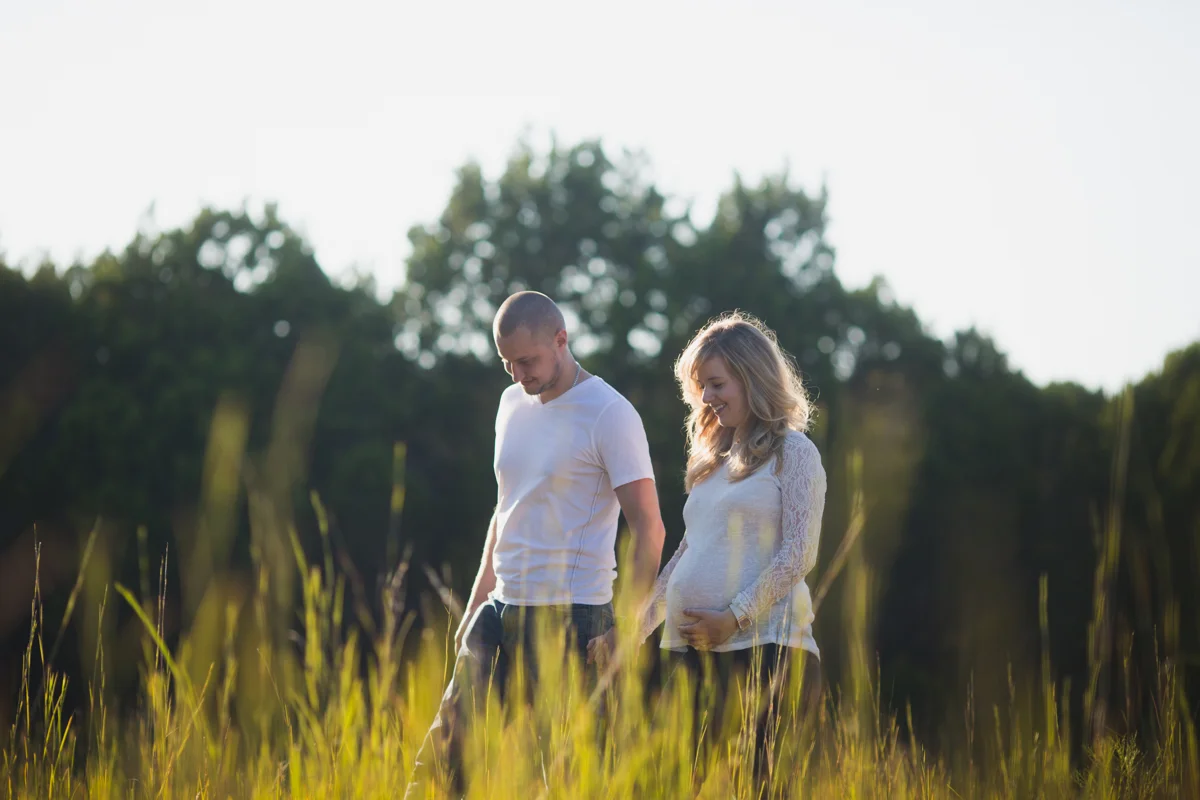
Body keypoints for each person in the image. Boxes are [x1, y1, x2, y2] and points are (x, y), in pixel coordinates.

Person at [404, 291, 667, 798]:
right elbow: (507, 507)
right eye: (507, 362)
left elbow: (649, 529)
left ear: (561, 340)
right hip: (499, 612)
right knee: (439, 768)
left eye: (527, 361)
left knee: (568, 780)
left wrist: (629, 628)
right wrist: (477, 602)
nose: (518, 374)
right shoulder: (510, 404)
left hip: (574, 621)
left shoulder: (610, 413)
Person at [635, 311, 827, 781]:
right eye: (701, 387)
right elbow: (687, 554)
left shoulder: (794, 452)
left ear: (752, 377)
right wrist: (634, 632)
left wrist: (734, 617)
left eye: (717, 384)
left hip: (767, 653)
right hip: (691, 657)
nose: (707, 398)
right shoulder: (713, 462)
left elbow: (799, 554)